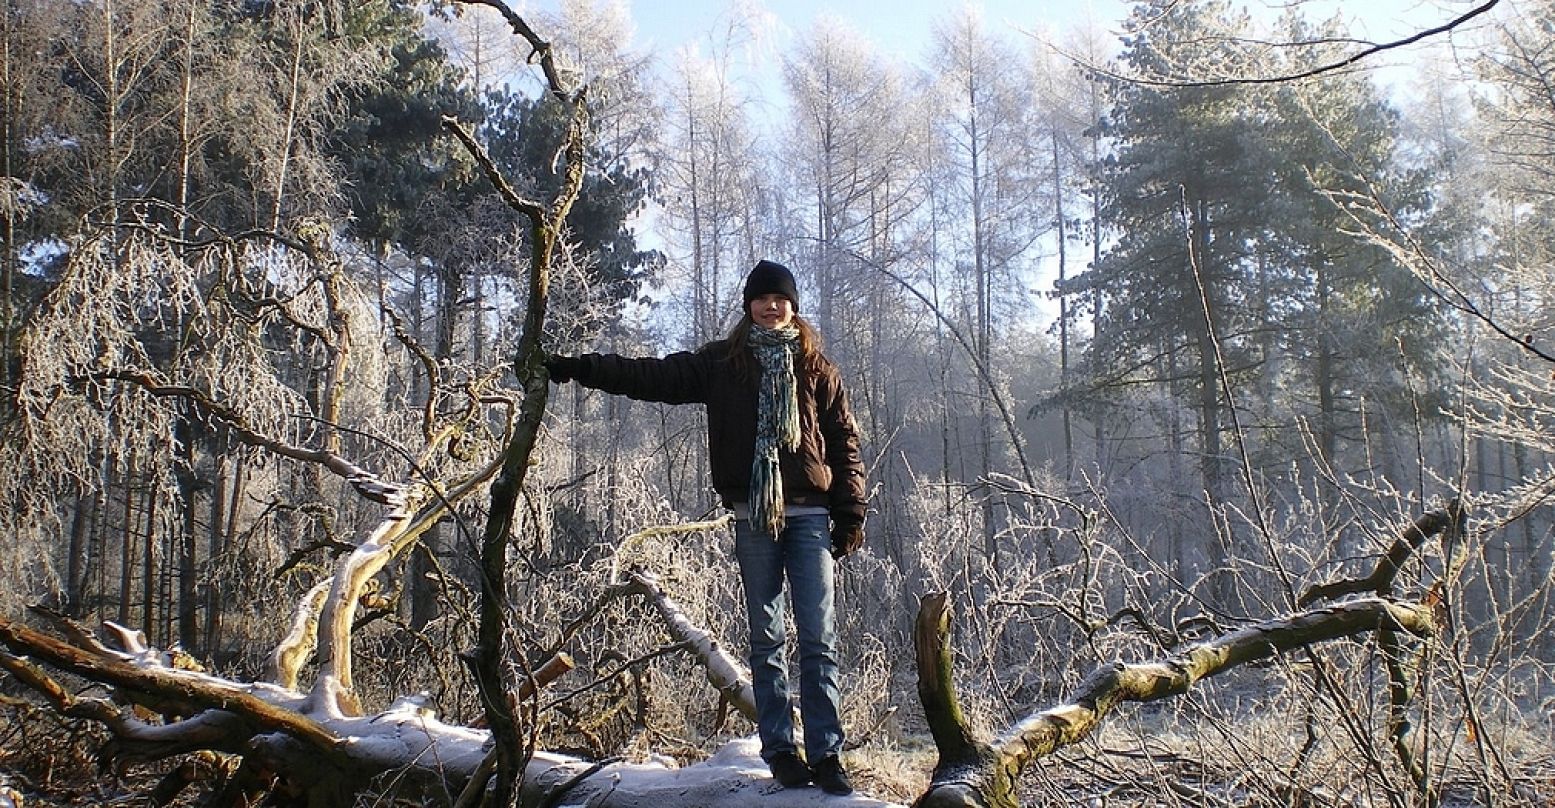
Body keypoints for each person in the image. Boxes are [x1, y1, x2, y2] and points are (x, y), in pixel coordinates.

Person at [544, 259, 868, 795]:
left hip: (811, 514)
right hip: (752, 515)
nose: (771, 305)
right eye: (762, 298)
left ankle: (828, 755)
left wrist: (850, 513)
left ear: (793, 307)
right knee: (766, 639)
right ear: (748, 306)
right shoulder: (723, 364)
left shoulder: (817, 369)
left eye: (780, 298)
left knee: (817, 637)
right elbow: (651, 377)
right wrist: (581, 367)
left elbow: (845, 445)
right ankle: (782, 752)